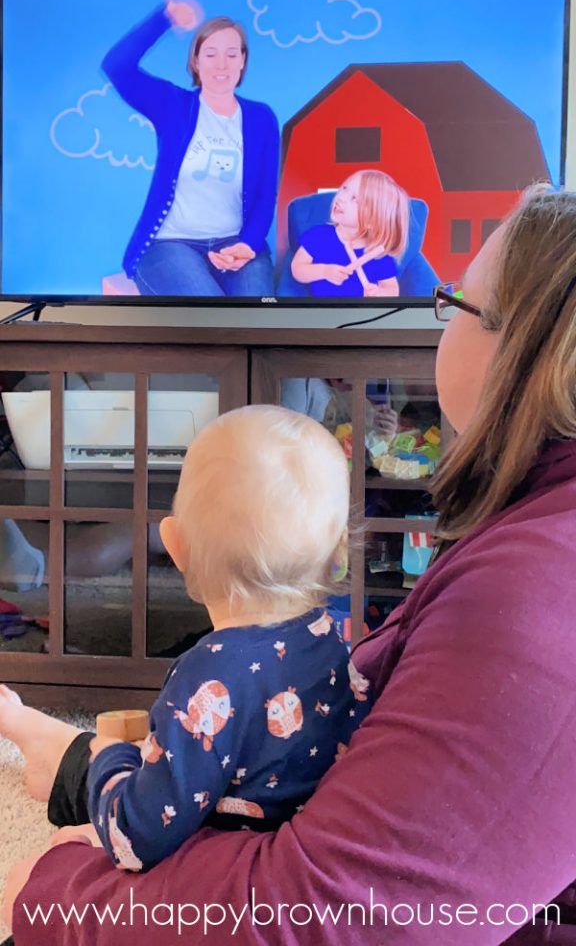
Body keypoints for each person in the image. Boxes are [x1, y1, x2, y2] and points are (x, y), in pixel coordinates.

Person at [4, 188, 576, 944]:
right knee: (98, 768)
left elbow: (322, 914)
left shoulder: (533, 595)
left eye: (453, 302)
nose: (442, 318)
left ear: (526, 350)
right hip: (261, 806)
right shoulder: (531, 536)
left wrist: (55, 894)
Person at [1, 406, 371, 873]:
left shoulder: (208, 675)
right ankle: (49, 748)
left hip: (217, 872)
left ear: (174, 545)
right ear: (339, 556)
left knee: (43, 871)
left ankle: (73, 754)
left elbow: (138, 834)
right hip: (277, 848)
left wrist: (109, 759)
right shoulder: (330, 640)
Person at [102, 0, 280, 296]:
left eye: (231, 54)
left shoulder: (261, 118)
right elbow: (117, 67)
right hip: (170, 245)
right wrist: (164, 18)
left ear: (242, 61)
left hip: (235, 242)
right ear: (196, 61)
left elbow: (265, 195)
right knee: (210, 317)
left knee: (258, 319)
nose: (221, 64)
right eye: (210, 54)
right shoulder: (173, 105)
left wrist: (247, 245)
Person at [290, 170, 408, 298]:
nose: (341, 197)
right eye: (344, 188)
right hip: (323, 312)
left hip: (361, 314)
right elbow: (297, 268)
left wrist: (379, 293)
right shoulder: (319, 236)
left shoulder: (377, 253)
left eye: (355, 199)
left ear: (371, 220)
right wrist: (324, 271)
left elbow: (392, 289)